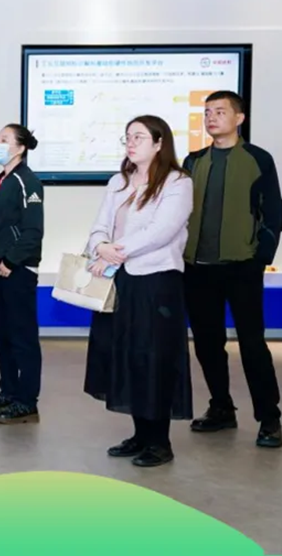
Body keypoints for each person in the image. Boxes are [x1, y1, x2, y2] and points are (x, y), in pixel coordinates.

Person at [83, 115, 194, 468]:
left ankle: (159, 441)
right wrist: (100, 246)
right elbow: (99, 226)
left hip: (156, 282)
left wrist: (114, 251)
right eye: (127, 137)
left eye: (139, 137)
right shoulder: (118, 181)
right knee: (127, 356)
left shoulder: (178, 182)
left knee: (154, 358)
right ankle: (140, 434)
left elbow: (161, 231)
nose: (131, 143)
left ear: (159, 143)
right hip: (121, 281)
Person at [182, 91, 282, 448]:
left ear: (239, 118)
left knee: (253, 345)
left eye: (220, 111)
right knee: (207, 344)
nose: (211, 117)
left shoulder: (258, 159)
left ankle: (269, 419)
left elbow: (272, 212)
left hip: (242, 268)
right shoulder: (194, 161)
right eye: (207, 112)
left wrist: (260, 258)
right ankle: (221, 408)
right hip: (198, 269)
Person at [0, 124, 45, 424]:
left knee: (22, 336)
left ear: (20, 147)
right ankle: (9, 391)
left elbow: (32, 231)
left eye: (4, 139)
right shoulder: (0, 181)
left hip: (16, 271)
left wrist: (10, 261)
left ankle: (26, 401)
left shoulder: (29, 182)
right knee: (3, 335)